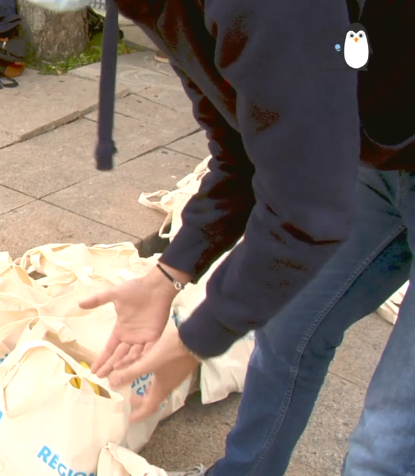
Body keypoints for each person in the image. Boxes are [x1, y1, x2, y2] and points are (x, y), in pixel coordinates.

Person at [79, 1, 415, 475]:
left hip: (375, 140)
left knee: (389, 441)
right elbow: (241, 149)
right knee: (288, 326)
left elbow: (306, 208)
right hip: (383, 151)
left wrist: (196, 339)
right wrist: (168, 274)